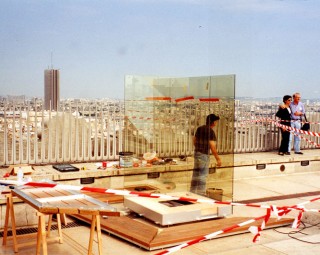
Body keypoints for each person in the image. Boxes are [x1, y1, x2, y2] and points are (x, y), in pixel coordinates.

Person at [190, 113, 221, 196]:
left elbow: (194, 141)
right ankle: (201, 195)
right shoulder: (211, 132)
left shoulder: (200, 128)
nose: (216, 123)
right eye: (216, 121)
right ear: (213, 122)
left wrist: (199, 148)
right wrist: (218, 159)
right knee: (202, 175)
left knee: (195, 175)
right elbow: (212, 147)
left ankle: (192, 193)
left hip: (197, 153)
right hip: (204, 155)